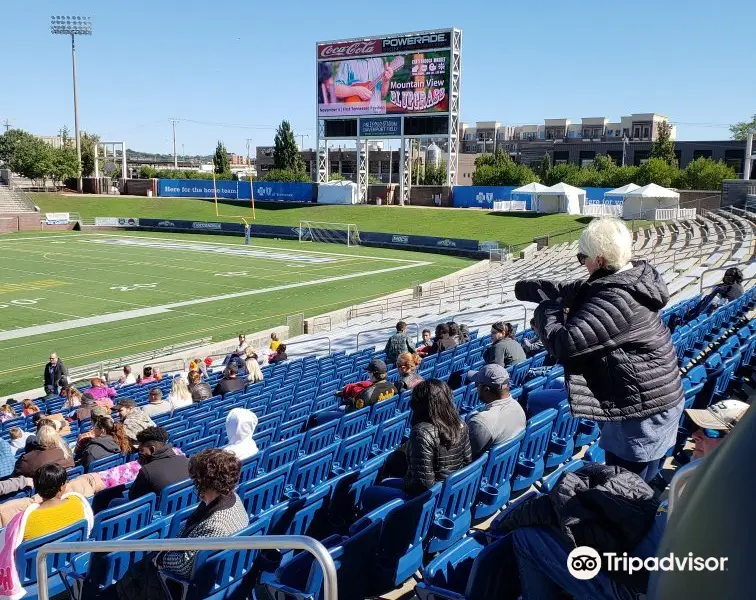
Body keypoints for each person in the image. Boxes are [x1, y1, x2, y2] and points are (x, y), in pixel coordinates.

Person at [515, 217, 685, 484]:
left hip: (641, 415)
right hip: (654, 400)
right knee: (638, 486)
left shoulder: (615, 298)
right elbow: (578, 290)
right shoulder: (628, 279)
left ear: (600, 261)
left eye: (583, 257)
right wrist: (529, 289)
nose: (582, 264)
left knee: (625, 493)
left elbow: (564, 344)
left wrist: (547, 309)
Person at [494, 462, 664, 600]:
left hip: (635, 585)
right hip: (640, 565)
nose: (692, 433)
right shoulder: (686, 486)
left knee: (526, 538)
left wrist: (603, 560)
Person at [116, 449, 248, 600]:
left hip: (179, 586)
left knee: (133, 577)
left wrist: (160, 558)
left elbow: (184, 566)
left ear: (202, 481)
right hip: (213, 573)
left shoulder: (216, 524)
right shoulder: (234, 498)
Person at [361, 380, 472, 510]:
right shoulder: (460, 423)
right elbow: (467, 460)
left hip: (429, 499)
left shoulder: (421, 431)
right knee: (386, 483)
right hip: (450, 490)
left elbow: (423, 485)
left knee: (370, 493)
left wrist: (406, 481)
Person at [466, 364, 527, 458]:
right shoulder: (518, 408)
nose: (476, 388)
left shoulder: (481, 422)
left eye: (477, 384)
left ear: (486, 390)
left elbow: (465, 457)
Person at [128, 426, 190, 501]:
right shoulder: (186, 460)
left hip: (159, 511)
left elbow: (132, 498)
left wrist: (147, 467)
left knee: (114, 502)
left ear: (152, 449)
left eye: (141, 450)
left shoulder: (147, 471)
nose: (139, 453)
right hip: (187, 506)